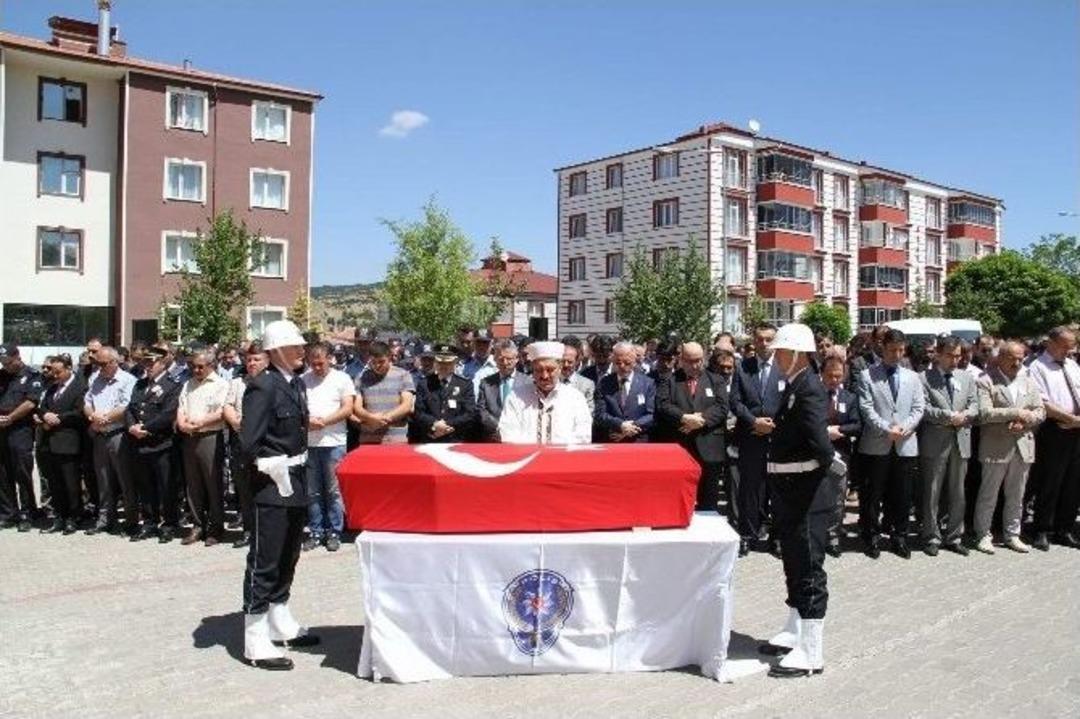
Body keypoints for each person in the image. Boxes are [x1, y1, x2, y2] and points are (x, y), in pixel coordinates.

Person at [757, 323, 837, 679]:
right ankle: (794, 629)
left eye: (780, 353)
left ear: (797, 353)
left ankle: (812, 650)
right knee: (792, 560)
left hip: (805, 493)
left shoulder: (810, 389)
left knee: (808, 566)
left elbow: (820, 445)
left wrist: (827, 466)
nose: (776, 359)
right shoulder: (797, 385)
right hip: (790, 490)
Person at [241, 320, 319, 671]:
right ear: (275, 351)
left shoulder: (295, 384)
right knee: (266, 559)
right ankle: (255, 635)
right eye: (294, 346)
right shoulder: (263, 387)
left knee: (288, 555)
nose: (302, 350)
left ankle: (280, 616)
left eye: (302, 345)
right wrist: (268, 466)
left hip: (297, 480)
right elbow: (248, 444)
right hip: (271, 485)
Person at [856, 329, 925, 559]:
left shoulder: (912, 377)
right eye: (892, 350)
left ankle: (899, 537)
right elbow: (866, 408)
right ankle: (871, 535)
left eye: (901, 350)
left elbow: (918, 408)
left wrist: (904, 428)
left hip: (905, 444)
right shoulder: (867, 376)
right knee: (873, 494)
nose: (897, 354)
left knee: (902, 494)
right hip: (877, 444)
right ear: (882, 349)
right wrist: (887, 429)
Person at [973, 341, 1045, 554]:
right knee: (989, 494)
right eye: (1012, 358)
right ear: (1000, 357)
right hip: (996, 446)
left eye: (1020, 359)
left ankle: (1012, 534)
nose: (1016, 362)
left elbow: (1040, 411)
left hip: (1023, 445)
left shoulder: (1028, 382)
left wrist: (1026, 420)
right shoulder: (986, 381)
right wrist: (1016, 413)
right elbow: (984, 413)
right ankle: (983, 534)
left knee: (1017, 494)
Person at [917, 336, 978, 556]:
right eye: (950, 355)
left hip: (961, 440)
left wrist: (966, 415)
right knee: (932, 491)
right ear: (939, 355)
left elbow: (974, 404)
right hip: (935, 442)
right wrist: (948, 416)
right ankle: (931, 536)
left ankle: (954, 536)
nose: (955, 360)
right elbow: (922, 408)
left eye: (958, 355)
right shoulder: (923, 378)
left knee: (958, 492)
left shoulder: (967, 378)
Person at [655, 342, 729, 513]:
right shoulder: (670, 380)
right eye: (689, 361)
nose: (694, 365)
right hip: (681, 446)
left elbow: (722, 407)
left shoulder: (716, 379)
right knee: (679, 497)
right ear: (681, 360)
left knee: (709, 500)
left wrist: (700, 420)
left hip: (709, 447)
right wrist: (684, 418)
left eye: (698, 360)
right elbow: (663, 405)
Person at [730, 323, 784, 556]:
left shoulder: (785, 367)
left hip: (778, 439)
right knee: (749, 491)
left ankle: (777, 538)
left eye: (768, 339)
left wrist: (773, 426)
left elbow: (791, 402)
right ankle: (747, 535)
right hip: (751, 437)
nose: (763, 344)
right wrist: (754, 422)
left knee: (777, 491)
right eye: (759, 339)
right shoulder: (743, 367)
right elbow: (736, 402)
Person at [1025, 326, 1080, 551]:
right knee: (1051, 481)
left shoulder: (1072, 365)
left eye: (1072, 346)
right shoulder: (1037, 367)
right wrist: (1071, 419)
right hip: (1054, 428)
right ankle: (1042, 529)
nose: (1070, 351)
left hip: (1077, 428)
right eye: (1065, 346)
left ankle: (1064, 528)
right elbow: (1042, 402)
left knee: (1073, 481)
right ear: (1051, 343)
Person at [301, 342, 356, 553]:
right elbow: (297, 407)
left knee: (333, 491)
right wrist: (308, 421)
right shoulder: (303, 380)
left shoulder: (342, 378)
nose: (317, 368)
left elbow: (347, 408)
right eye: (313, 364)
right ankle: (316, 530)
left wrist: (324, 421)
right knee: (313, 491)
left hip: (334, 442)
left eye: (320, 363)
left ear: (329, 359)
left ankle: (334, 531)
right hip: (310, 442)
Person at [125, 346, 181, 542]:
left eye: (151, 362)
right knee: (145, 486)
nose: (147, 366)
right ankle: (149, 522)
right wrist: (132, 426)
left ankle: (169, 523)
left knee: (166, 486)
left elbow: (168, 413)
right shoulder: (140, 385)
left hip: (161, 443)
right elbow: (130, 408)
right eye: (144, 362)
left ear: (162, 362)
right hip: (140, 444)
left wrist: (146, 428)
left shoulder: (172, 385)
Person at [176, 348, 230, 547]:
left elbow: (223, 411)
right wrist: (182, 423)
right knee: (193, 484)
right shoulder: (188, 384)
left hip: (210, 437)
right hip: (189, 437)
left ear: (211, 365)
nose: (196, 370)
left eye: (200, 367)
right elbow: (181, 407)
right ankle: (197, 525)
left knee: (213, 483)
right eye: (193, 366)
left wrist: (200, 423)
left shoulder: (221, 384)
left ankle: (216, 527)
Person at [83, 347, 138, 536]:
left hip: (118, 434)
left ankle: (131, 521)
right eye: (97, 364)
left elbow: (125, 405)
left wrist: (105, 418)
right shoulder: (95, 379)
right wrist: (93, 417)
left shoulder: (128, 380)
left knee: (125, 480)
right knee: (103, 480)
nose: (100, 367)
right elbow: (87, 402)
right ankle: (105, 519)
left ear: (115, 362)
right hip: (99, 435)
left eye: (104, 364)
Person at [498, 341, 592, 444]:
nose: (544, 376)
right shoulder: (516, 397)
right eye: (538, 370)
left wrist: (553, 450)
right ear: (532, 370)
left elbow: (583, 436)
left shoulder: (575, 398)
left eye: (550, 370)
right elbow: (508, 434)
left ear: (560, 368)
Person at [224, 341, 270, 548]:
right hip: (241, 442)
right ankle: (249, 530)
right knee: (244, 489)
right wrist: (235, 422)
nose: (251, 363)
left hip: (265, 444)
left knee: (265, 490)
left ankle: (265, 533)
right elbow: (228, 406)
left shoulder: (272, 383)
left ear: (267, 361)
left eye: (256, 359)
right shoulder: (237, 383)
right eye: (249, 359)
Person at [34, 354, 87, 534]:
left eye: (58, 372)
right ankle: (60, 516)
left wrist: (58, 418)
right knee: (55, 483)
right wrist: (44, 416)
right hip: (50, 441)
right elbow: (41, 407)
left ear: (68, 369)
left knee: (71, 483)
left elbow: (80, 412)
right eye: (53, 372)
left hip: (68, 441)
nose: (55, 375)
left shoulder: (80, 387)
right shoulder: (51, 388)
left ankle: (74, 516)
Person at [0, 343, 44, 531]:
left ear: (17, 357)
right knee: (3, 473)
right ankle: (8, 513)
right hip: (1, 430)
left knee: (22, 471)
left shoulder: (32, 376)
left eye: (8, 362)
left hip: (20, 430)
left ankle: (28, 512)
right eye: (3, 362)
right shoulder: (1, 376)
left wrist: (10, 417)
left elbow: (30, 403)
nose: (5, 366)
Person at [820, 355, 861, 557]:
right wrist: (824, 431)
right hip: (818, 452)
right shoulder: (814, 395)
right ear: (822, 375)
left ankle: (833, 536)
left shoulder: (849, 398)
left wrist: (840, 430)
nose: (834, 380)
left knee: (837, 496)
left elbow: (857, 424)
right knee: (818, 495)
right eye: (830, 376)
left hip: (842, 453)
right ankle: (817, 534)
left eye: (838, 376)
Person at [411, 344, 478, 443]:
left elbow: (469, 413)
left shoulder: (465, 385)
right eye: (440, 362)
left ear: (455, 363)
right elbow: (419, 412)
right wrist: (434, 425)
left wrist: (446, 425)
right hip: (430, 438)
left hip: (456, 438)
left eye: (448, 363)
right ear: (435, 363)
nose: (444, 366)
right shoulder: (424, 384)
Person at [352, 341, 416, 445]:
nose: (377, 365)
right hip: (369, 438)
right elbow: (357, 407)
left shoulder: (403, 375)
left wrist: (383, 418)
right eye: (373, 362)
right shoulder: (361, 378)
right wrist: (371, 418)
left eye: (381, 361)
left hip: (396, 439)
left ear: (389, 357)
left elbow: (407, 405)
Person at [594, 341, 655, 443]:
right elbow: (600, 414)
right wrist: (621, 425)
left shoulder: (647, 383)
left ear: (635, 361)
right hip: (613, 440)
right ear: (612, 361)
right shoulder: (604, 383)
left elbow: (652, 414)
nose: (622, 366)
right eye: (618, 363)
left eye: (627, 363)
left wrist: (630, 428)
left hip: (638, 441)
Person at [477, 340, 521, 441]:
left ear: (516, 359)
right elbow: (481, 410)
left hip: (519, 436)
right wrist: (499, 428)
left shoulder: (527, 381)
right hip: (493, 437)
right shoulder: (486, 383)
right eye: (501, 359)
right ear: (495, 360)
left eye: (509, 359)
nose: (505, 363)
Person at [560, 343, 596, 413]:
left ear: (576, 362)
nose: (566, 365)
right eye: (563, 361)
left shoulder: (587, 385)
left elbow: (590, 411)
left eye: (570, 362)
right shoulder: (552, 382)